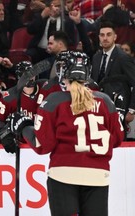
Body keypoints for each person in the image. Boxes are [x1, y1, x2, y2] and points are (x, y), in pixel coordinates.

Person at [8, 51, 125, 216]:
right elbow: (118, 139)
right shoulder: (105, 101)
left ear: (64, 72)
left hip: (64, 174)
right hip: (98, 175)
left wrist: (24, 127)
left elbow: (42, 145)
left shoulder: (54, 101)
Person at [91, 21, 135, 134]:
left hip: (118, 108)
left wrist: (131, 110)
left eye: (109, 34)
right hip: (98, 108)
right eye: (102, 35)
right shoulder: (96, 57)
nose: (105, 38)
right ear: (99, 37)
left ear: (115, 37)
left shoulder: (123, 57)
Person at [0, 61, 44, 153]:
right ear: (19, 77)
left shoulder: (45, 88)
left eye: (32, 74)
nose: (30, 77)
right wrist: (5, 136)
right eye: (25, 75)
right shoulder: (10, 96)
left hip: (45, 142)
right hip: (21, 145)